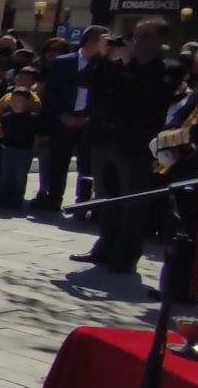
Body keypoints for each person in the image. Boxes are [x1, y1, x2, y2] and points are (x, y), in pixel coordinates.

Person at [73, 19, 184, 274]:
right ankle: (105, 246)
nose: (138, 40)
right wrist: (102, 57)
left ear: (161, 40)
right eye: (136, 35)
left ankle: (126, 254)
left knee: (133, 202)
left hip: (134, 144)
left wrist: (131, 63)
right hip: (104, 138)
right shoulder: (115, 64)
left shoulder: (169, 68)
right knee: (106, 198)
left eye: (146, 36)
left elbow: (156, 94)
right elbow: (84, 80)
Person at [34, 26, 104, 210]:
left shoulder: (104, 65)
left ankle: (83, 203)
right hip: (64, 118)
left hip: (88, 120)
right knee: (59, 161)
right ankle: (54, 198)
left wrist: (89, 117)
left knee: (86, 164)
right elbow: (52, 92)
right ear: (92, 41)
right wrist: (62, 115)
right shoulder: (63, 62)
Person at [0, 87, 41, 210]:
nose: (15, 103)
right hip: (8, 149)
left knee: (20, 177)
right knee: (5, 175)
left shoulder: (32, 118)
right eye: (13, 100)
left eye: (19, 100)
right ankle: (3, 197)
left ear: (26, 101)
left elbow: (36, 135)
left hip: (24, 151)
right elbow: (0, 131)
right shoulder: (7, 117)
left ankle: (17, 200)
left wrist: (35, 149)